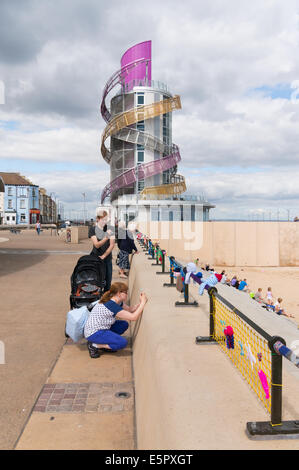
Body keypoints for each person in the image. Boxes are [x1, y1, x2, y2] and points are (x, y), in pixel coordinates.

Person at [84, 282, 148, 358]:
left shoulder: (115, 301)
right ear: (119, 293)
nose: (127, 294)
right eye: (125, 292)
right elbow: (133, 317)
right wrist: (143, 303)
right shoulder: (111, 305)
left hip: (101, 328)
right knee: (122, 343)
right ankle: (94, 345)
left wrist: (140, 303)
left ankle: (105, 343)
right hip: (93, 333)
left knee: (123, 325)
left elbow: (130, 310)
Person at [89, 210, 115, 292]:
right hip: (95, 258)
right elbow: (96, 245)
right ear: (97, 219)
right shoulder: (93, 229)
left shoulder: (111, 228)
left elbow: (112, 245)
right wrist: (106, 236)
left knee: (108, 282)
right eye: (103, 219)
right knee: (96, 281)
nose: (104, 221)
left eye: (106, 219)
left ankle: (106, 301)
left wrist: (104, 256)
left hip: (107, 259)